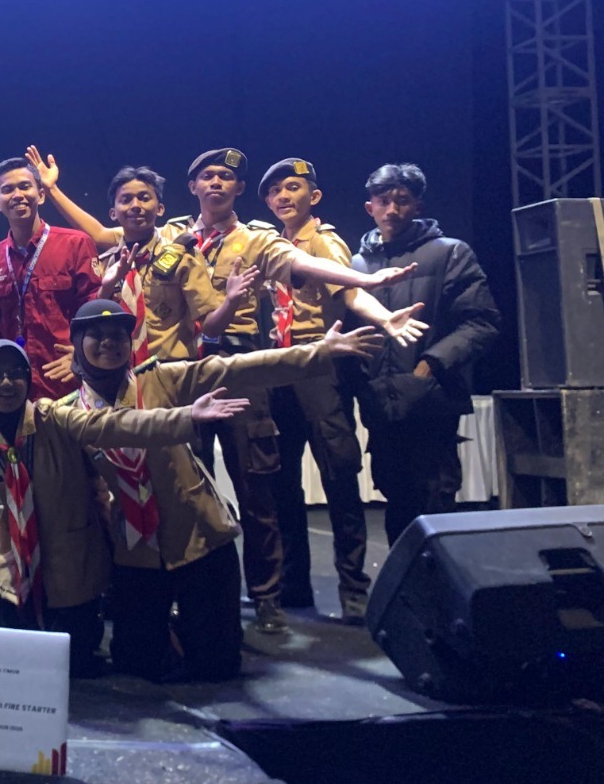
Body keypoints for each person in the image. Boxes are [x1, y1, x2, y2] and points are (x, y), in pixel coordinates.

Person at [26, 145, 419, 633]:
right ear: (191, 187)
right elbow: (106, 232)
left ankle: (272, 595)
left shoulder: (249, 238)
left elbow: (295, 267)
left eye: (226, 177)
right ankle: (193, 592)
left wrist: (366, 280)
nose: (216, 183)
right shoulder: (170, 237)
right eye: (207, 176)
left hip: (228, 366)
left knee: (260, 486)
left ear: (238, 188)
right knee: (177, 491)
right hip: (159, 384)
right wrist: (53, 191)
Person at [66, 300, 384, 681]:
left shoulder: (159, 379)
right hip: (137, 553)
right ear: (77, 344)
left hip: (200, 539)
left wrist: (319, 352)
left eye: (118, 335)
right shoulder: (72, 414)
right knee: (137, 665)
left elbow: (241, 368)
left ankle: (194, 629)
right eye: (96, 335)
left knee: (217, 665)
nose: (109, 343)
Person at [0, 339, 248, 676]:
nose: (6, 382)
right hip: (16, 577)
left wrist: (186, 416)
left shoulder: (55, 418)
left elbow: (115, 425)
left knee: (78, 667)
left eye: (16, 372)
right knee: (16, 669)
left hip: (72, 575)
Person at [259, 158, 428, 620]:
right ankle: (294, 583)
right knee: (282, 483)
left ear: (313, 196)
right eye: (274, 191)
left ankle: (354, 588)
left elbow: (350, 291)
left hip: (320, 368)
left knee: (338, 478)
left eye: (293, 187)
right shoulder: (273, 245)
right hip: (281, 368)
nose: (283, 196)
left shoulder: (324, 240)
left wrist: (384, 318)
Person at [351, 163, 500, 544]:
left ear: (417, 205)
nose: (392, 209)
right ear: (370, 207)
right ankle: (404, 580)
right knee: (394, 495)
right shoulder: (357, 265)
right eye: (383, 201)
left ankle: (439, 580)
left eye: (402, 200)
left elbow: (481, 322)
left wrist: (431, 363)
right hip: (380, 403)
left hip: (431, 400)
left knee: (435, 497)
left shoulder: (450, 253)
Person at [40, 166, 229, 378]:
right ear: (113, 213)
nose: (136, 206)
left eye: (144, 198)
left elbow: (210, 327)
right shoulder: (105, 264)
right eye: (126, 200)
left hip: (171, 373)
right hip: (116, 376)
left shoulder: (184, 257)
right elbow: (93, 321)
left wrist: (231, 302)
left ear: (160, 209)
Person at [0, 156, 100, 401]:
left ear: (40, 195)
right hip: (13, 390)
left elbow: (94, 309)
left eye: (25, 186)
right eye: (8, 189)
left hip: (67, 383)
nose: (17, 195)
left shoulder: (75, 244)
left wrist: (82, 355)